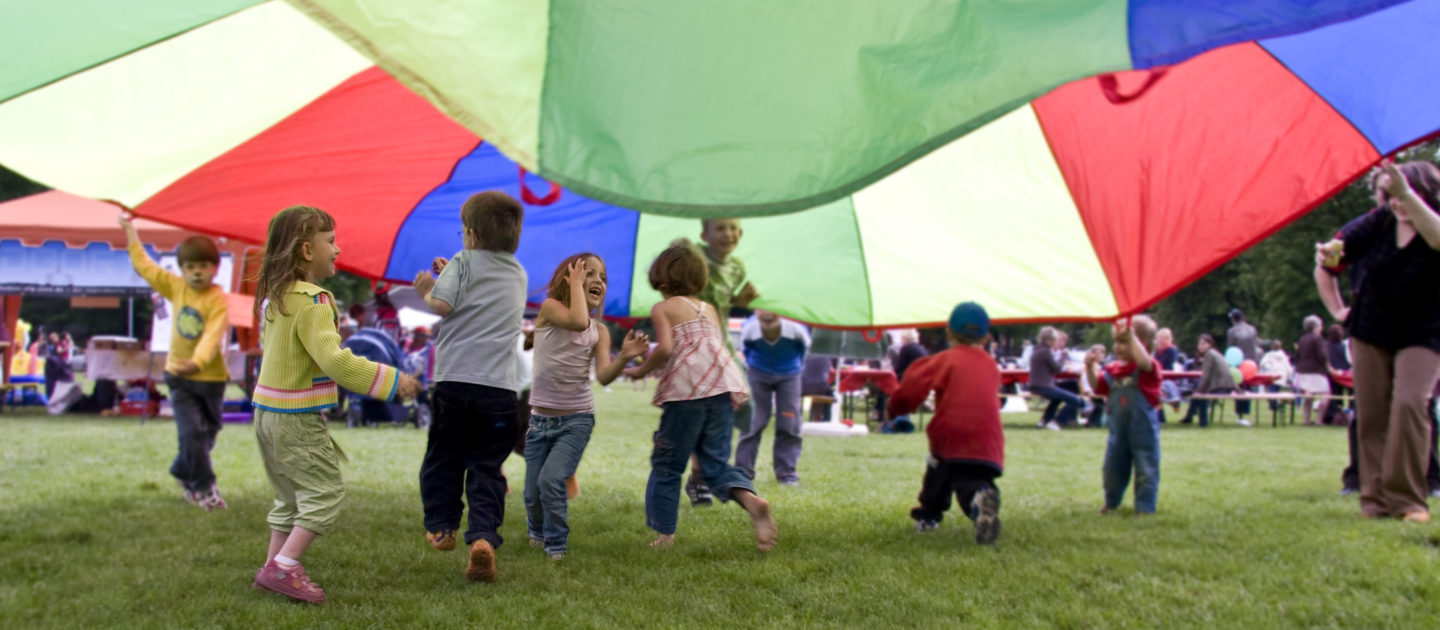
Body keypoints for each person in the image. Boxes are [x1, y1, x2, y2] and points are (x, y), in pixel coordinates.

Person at [249, 205, 422, 604]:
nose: (338, 249)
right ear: (307, 250)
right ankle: (286, 567)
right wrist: (396, 382)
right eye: (331, 241)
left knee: (289, 498)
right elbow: (336, 361)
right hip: (295, 418)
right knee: (324, 493)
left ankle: (271, 566)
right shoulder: (314, 301)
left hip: (266, 414)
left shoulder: (276, 298)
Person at [623, 244, 777, 551]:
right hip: (721, 391)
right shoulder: (709, 311)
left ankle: (665, 536)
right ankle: (751, 501)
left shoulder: (664, 308)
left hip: (686, 395)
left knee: (668, 464)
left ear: (663, 284)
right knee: (715, 466)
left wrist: (641, 371)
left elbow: (666, 350)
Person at [411, 191, 528, 581]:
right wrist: (453, 276)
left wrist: (429, 287)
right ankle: (482, 538)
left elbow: (442, 306)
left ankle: (443, 526)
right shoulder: (518, 272)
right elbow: (482, 296)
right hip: (499, 391)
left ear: (472, 235)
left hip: (454, 384)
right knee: (486, 466)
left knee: (443, 457)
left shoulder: (463, 261)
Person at [1315, 160, 1440, 522]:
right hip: (1370, 329)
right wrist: (1338, 308)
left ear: (1424, 192)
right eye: (1388, 194)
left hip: (1424, 332)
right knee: (1372, 416)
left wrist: (1406, 195)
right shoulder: (1376, 222)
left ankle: (1409, 502)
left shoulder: (1432, 221)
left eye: (1401, 193)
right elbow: (1327, 263)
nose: (1394, 201)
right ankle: (1375, 501)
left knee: (1411, 403)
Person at [524, 254, 649, 560]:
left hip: (577, 420)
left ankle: (556, 545)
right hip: (539, 422)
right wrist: (576, 287)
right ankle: (536, 532)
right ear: (567, 279)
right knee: (531, 493)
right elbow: (576, 320)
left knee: (551, 480)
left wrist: (623, 357)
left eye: (602, 278)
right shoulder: (551, 309)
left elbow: (604, 375)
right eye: (588, 274)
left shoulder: (600, 331)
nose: (597, 281)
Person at [121, 214, 232, 510]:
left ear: (215, 268)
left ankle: (181, 472)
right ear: (181, 269)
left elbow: (213, 335)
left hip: (211, 380)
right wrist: (130, 230)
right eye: (190, 267)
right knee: (191, 433)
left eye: (204, 266)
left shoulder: (218, 299)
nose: (197, 273)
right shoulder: (175, 286)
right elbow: (145, 266)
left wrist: (197, 362)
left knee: (206, 435)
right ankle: (205, 489)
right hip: (179, 379)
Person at [886, 302, 1003, 545]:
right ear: (986, 336)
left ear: (948, 332)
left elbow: (912, 388)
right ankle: (981, 496)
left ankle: (929, 515)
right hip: (989, 440)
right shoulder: (991, 365)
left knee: (938, 473)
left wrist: (896, 409)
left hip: (951, 434)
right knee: (973, 476)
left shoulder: (945, 360)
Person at [678, 218, 760, 507]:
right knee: (702, 414)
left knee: (738, 407)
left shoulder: (737, 267)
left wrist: (740, 300)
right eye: (720, 228)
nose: (728, 234)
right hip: (694, 348)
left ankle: (707, 470)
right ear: (705, 234)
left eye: (732, 228)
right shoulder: (695, 257)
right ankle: (699, 477)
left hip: (721, 347)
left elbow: (722, 303)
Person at [1087, 316, 1162, 514]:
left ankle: (1145, 506)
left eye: (1124, 341)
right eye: (1116, 342)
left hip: (1143, 429)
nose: (1118, 347)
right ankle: (1111, 501)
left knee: (1146, 465)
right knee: (1113, 466)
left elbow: (1144, 360)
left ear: (1141, 344)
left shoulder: (1148, 367)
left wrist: (1133, 339)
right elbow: (1097, 387)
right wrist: (1089, 368)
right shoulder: (1113, 370)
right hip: (1118, 430)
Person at [736, 310, 810, 485]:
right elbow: (745, 351)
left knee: (789, 423)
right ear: (756, 311)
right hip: (758, 373)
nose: (768, 315)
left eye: (773, 311)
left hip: (790, 374)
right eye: (762, 310)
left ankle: (787, 473)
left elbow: (804, 350)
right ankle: (742, 472)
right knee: (753, 421)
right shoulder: (750, 328)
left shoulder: (795, 327)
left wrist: (793, 370)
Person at [1180, 334, 1239, 426]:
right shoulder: (1214, 353)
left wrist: (1199, 391)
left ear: (1210, 344)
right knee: (1198, 392)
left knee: (1199, 394)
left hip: (1221, 387)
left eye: (1203, 344)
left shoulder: (1209, 355)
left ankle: (1202, 422)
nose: (1200, 346)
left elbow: (1206, 376)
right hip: (1224, 386)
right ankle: (1190, 417)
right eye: (1199, 344)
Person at [1029, 327, 1081, 431]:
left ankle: (1044, 420)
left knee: (1072, 384)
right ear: (1049, 340)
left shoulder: (1037, 349)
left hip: (1037, 385)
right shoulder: (1046, 351)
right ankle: (1056, 421)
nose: (1056, 342)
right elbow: (1057, 369)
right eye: (1055, 340)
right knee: (1077, 400)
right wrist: (1064, 356)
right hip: (1044, 386)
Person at [1293, 315, 1330, 426]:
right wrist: (1328, 366)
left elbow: (1297, 355)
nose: (1322, 328)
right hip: (1316, 370)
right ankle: (1319, 419)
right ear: (1316, 326)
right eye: (1320, 326)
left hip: (1303, 370)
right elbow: (1322, 355)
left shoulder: (1302, 338)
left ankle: (1307, 419)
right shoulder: (1318, 338)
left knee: (1308, 396)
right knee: (1326, 395)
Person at [1227, 309, 1261, 424]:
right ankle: (1245, 411)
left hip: (1239, 364)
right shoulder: (1252, 329)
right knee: (1249, 388)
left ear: (1233, 319)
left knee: (1239, 388)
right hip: (1252, 363)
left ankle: (1240, 413)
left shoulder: (1232, 331)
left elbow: (1231, 348)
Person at [1154, 328, 1183, 421]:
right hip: (1158, 378)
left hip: (1169, 379)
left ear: (1168, 339)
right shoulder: (1156, 352)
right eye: (1159, 337)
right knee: (1154, 391)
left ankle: (1174, 404)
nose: (1160, 340)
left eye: (1163, 338)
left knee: (1157, 391)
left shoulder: (1172, 350)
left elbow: (1171, 367)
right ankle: (1160, 416)